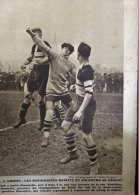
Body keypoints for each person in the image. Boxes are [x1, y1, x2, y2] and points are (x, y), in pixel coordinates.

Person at [26, 28, 76, 147]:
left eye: (69, 50)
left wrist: (78, 83)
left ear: (70, 53)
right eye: (65, 48)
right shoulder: (54, 56)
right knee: (49, 112)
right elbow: (42, 45)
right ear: (62, 49)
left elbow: (77, 75)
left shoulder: (71, 65)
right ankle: (46, 138)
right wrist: (33, 35)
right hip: (52, 91)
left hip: (63, 91)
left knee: (75, 108)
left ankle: (69, 123)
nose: (66, 50)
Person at [59, 42, 99, 175]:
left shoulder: (86, 71)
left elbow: (89, 93)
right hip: (78, 100)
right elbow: (84, 87)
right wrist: (76, 87)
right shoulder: (83, 67)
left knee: (86, 136)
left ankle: (94, 164)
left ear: (79, 55)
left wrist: (81, 111)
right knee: (65, 126)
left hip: (87, 105)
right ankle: (73, 154)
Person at [13, 28, 51, 130]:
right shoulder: (34, 46)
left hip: (44, 72)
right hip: (35, 71)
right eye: (33, 37)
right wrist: (23, 63)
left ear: (41, 35)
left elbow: (50, 56)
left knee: (41, 98)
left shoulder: (45, 44)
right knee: (28, 95)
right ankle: (21, 118)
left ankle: (42, 122)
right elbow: (30, 58)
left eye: (36, 36)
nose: (34, 38)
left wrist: (41, 61)